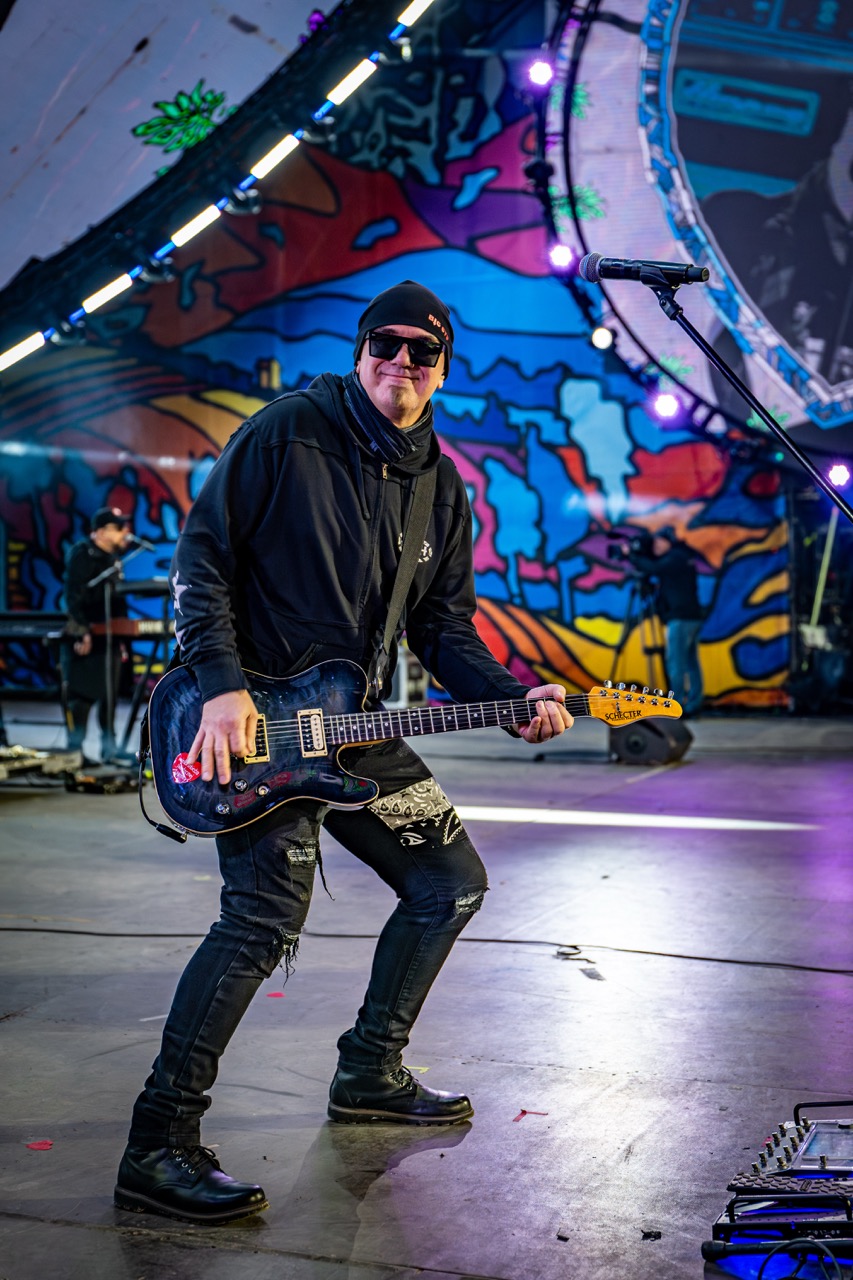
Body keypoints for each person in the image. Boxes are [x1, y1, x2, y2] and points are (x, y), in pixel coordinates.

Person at [114, 281, 574, 1225]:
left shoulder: (439, 486)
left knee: (449, 883)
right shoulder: (288, 432)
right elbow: (202, 558)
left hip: (353, 728)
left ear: (442, 369)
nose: (400, 361)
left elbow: (443, 629)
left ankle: (369, 1070)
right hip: (250, 728)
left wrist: (511, 697)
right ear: (360, 351)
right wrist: (221, 684)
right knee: (260, 921)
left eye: (420, 351)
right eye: (383, 344)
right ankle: (157, 1143)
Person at [62, 506, 135, 763]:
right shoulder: (82, 554)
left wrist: (123, 638)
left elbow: (118, 601)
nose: (124, 532)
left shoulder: (113, 559)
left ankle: (109, 749)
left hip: (110, 637)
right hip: (88, 636)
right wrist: (81, 631)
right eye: (119, 528)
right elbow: (72, 596)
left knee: (110, 693)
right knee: (82, 694)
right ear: (101, 532)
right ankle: (75, 751)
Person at [622, 527, 705, 716]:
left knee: (676, 663)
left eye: (659, 543)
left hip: (681, 619)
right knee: (691, 663)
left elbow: (654, 568)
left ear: (669, 541)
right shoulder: (683, 556)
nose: (656, 547)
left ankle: (677, 706)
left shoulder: (674, 557)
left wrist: (631, 556)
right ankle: (694, 703)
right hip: (691, 617)